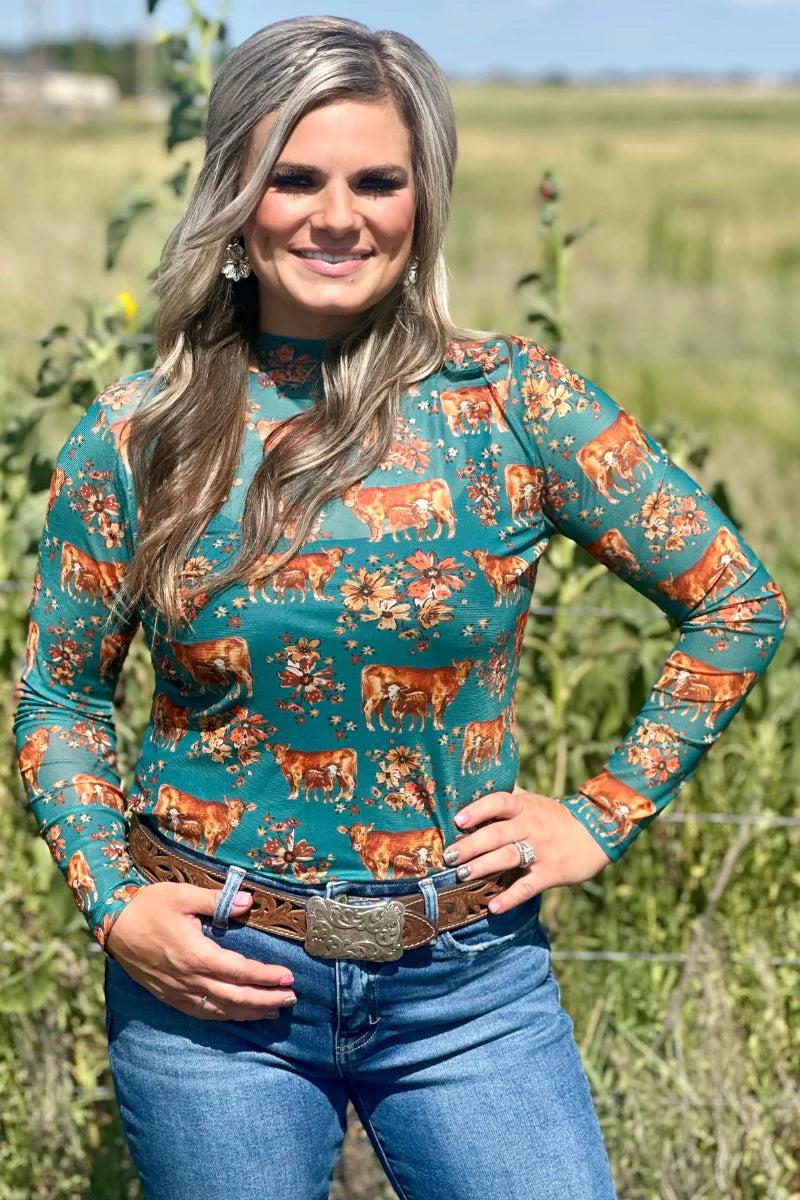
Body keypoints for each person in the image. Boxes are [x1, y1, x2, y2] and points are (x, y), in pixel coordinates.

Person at [13, 15, 789, 1200]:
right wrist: (113, 905)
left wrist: (598, 817)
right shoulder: (141, 431)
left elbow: (735, 601)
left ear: (423, 199)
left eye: (377, 181)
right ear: (234, 195)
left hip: (468, 986)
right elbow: (59, 698)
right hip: (213, 982)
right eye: (294, 179)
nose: (338, 216)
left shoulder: (512, 402)